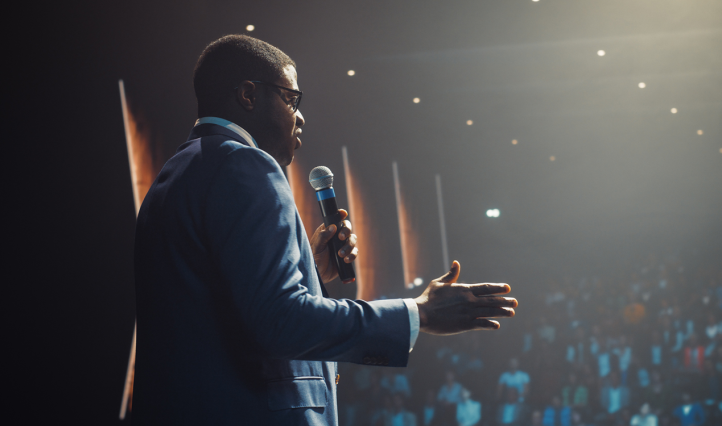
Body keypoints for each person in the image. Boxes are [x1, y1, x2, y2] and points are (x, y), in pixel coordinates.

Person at [133, 34, 518, 425]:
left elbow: (221, 310)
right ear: (248, 95)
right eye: (290, 99)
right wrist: (418, 314)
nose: (300, 117)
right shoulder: (246, 165)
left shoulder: (176, 173)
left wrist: (308, 269)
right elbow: (281, 322)